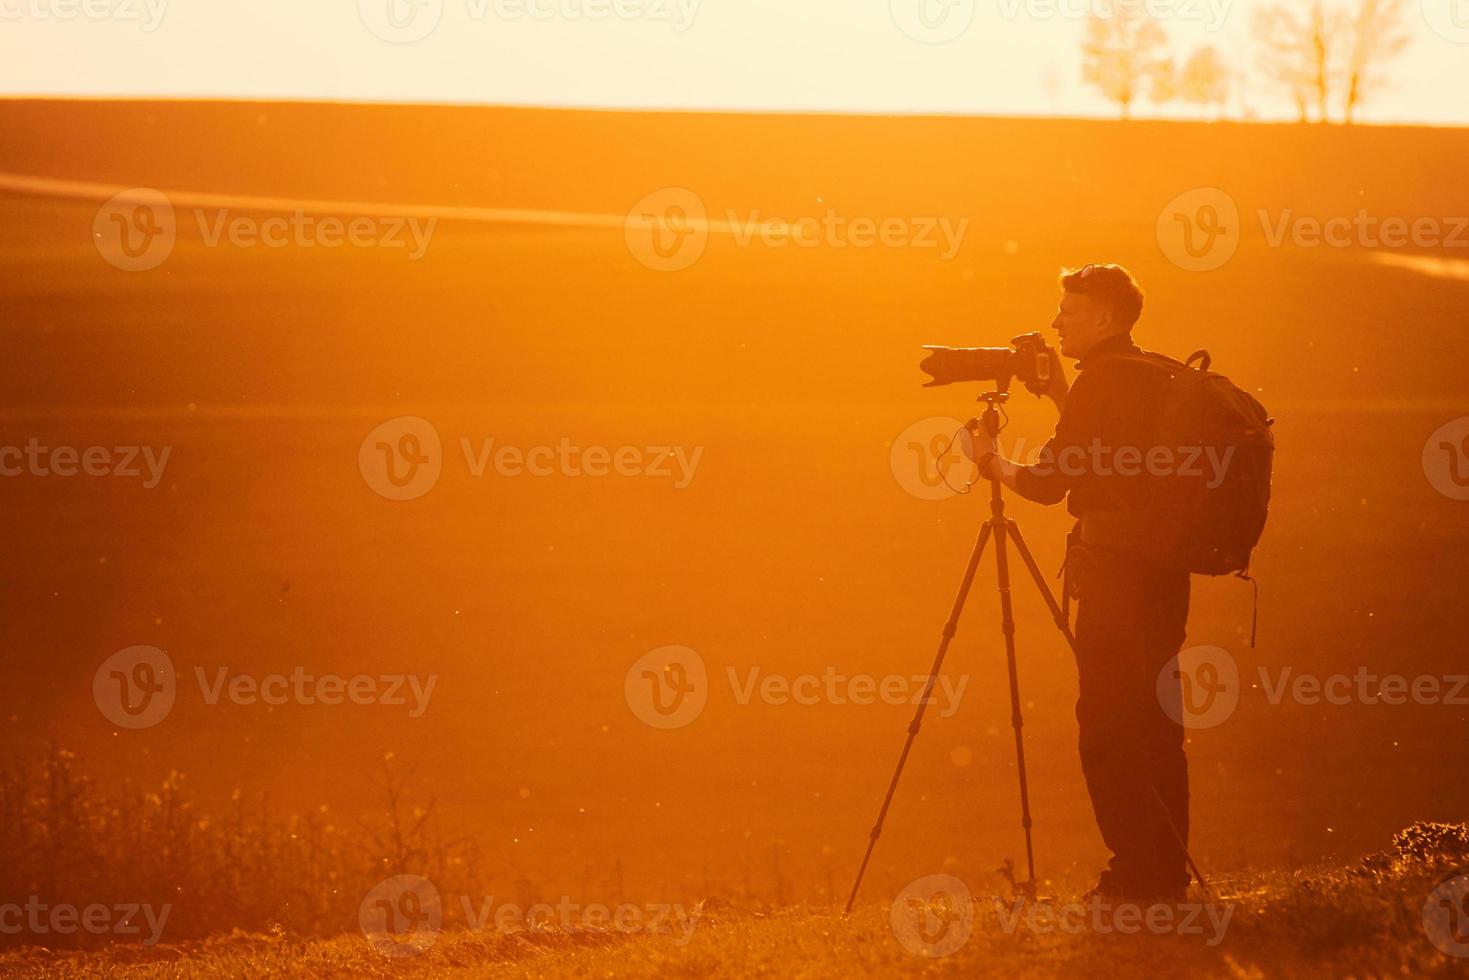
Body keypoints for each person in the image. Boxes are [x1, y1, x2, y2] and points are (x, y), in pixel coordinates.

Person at [972, 263, 1193, 902]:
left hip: (1117, 575)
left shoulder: (1103, 380)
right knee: (1155, 719)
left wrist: (988, 462)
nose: (1056, 322)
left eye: (1068, 311)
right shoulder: (1149, 373)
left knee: (1106, 725)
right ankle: (1165, 868)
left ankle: (1135, 874)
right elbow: (1110, 449)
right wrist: (1062, 391)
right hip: (1162, 572)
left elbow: (1048, 483)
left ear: (1103, 317)